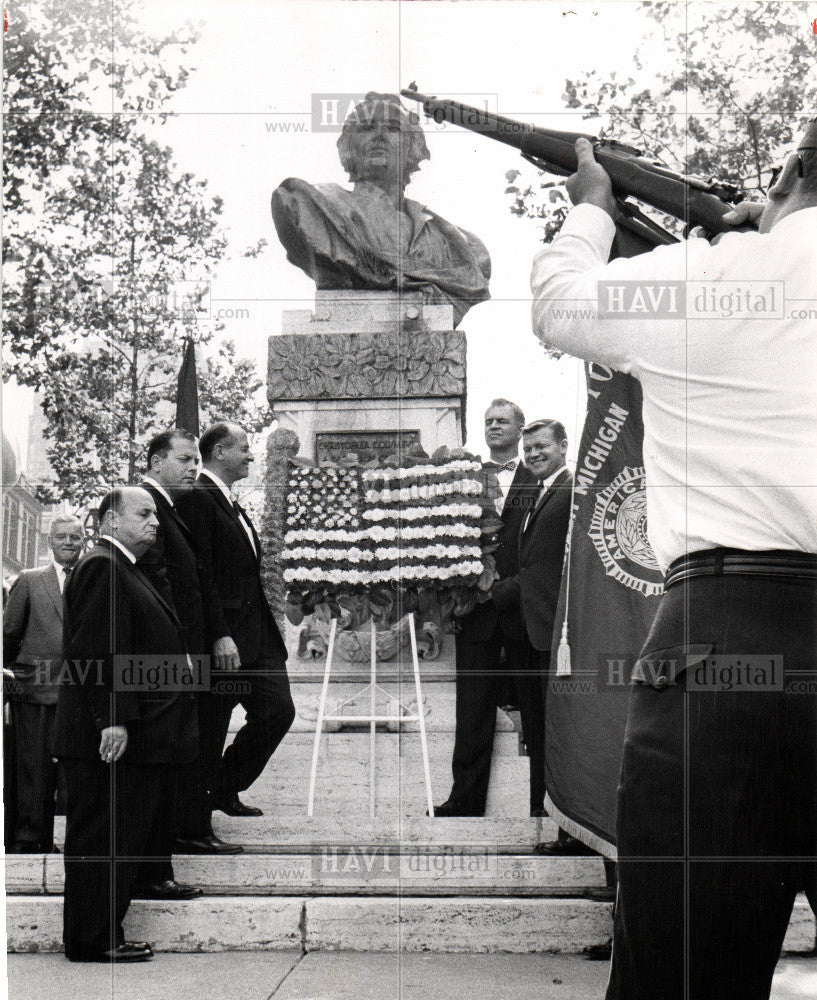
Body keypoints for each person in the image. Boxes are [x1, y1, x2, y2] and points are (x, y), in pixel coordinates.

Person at [530, 121, 817, 999]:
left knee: (684, 971)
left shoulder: (706, 277)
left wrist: (590, 209)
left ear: (792, 168)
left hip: (722, 640)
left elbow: (558, 305)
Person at [54, 487, 199, 962]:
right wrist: (113, 720)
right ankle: (94, 941)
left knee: (114, 836)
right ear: (111, 520)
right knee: (102, 838)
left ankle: (100, 935)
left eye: (156, 514)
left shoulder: (124, 568)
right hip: (106, 735)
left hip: (127, 734)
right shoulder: (103, 565)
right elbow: (97, 650)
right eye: (143, 513)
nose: (155, 522)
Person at [271, 92, 491, 327]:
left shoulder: (460, 245)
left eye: (393, 128)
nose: (379, 136)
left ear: (413, 147)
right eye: (366, 129)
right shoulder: (308, 204)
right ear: (348, 147)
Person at [176, 422, 295, 822]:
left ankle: (223, 786)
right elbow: (201, 573)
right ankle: (195, 821)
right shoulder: (197, 498)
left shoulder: (230, 501)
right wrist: (219, 633)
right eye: (244, 448)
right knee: (212, 726)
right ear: (220, 452)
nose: (251, 455)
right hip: (225, 639)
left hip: (257, 637)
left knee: (278, 710)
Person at [140, 428, 242, 861]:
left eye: (194, 460)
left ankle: (187, 830)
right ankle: (179, 837)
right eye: (183, 460)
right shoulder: (146, 509)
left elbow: (196, 580)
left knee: (192, 746)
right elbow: (158, 587)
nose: (193, 467)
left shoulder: (172, 508)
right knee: (178, 751)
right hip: (172, 656)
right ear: (156, 462)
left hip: (190, 651)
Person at [433, 399, 538, 817]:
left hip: (523, 610)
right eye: (488, 421)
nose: (494, 426)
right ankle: (464, 800)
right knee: (472, 709)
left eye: (503, 421)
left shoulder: (540, 476)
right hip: (474, 612)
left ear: (521, 428)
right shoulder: (467, 476)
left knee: (534, 708)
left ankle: (542, 803)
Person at [492, 419, 572, 821]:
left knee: (555, 733)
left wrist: (500, 589)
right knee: (535, 730)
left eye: (542, 447)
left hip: (553, 630)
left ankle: (558, 818)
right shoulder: (537, 493)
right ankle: (538, 813)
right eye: (529, 450)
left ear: (563, 446)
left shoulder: (570, 490)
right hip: (526, 629)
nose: (534, 454)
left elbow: (551, 568)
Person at [3, 515, 84, 853]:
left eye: (75, 538)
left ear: (83, 541)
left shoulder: (93, 579)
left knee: (75, 774)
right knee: (33, 770)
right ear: (50, 541)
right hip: (35, 691)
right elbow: (8, 636)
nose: (68, 543)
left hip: (81, 692)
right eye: (62, 537)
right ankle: (30, 841)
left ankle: (74, 842)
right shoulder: (30, 581)